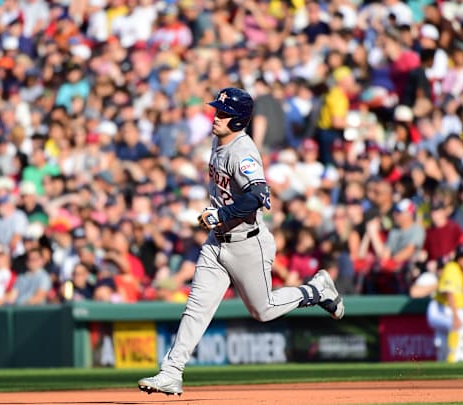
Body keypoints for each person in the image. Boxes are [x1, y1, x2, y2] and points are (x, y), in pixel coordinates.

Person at [137, 88, 343, 396]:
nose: (216, 117)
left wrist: (221, 214)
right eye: (216, 111)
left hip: (248, 243)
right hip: (217, 242)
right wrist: (217, 216)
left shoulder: (242, 151)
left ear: (238, 121)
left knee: (263, 310)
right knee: (196, 307)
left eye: (223, 113)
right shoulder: (218, 141)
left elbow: (258, 196)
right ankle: (171, 372)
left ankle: (316, 290)